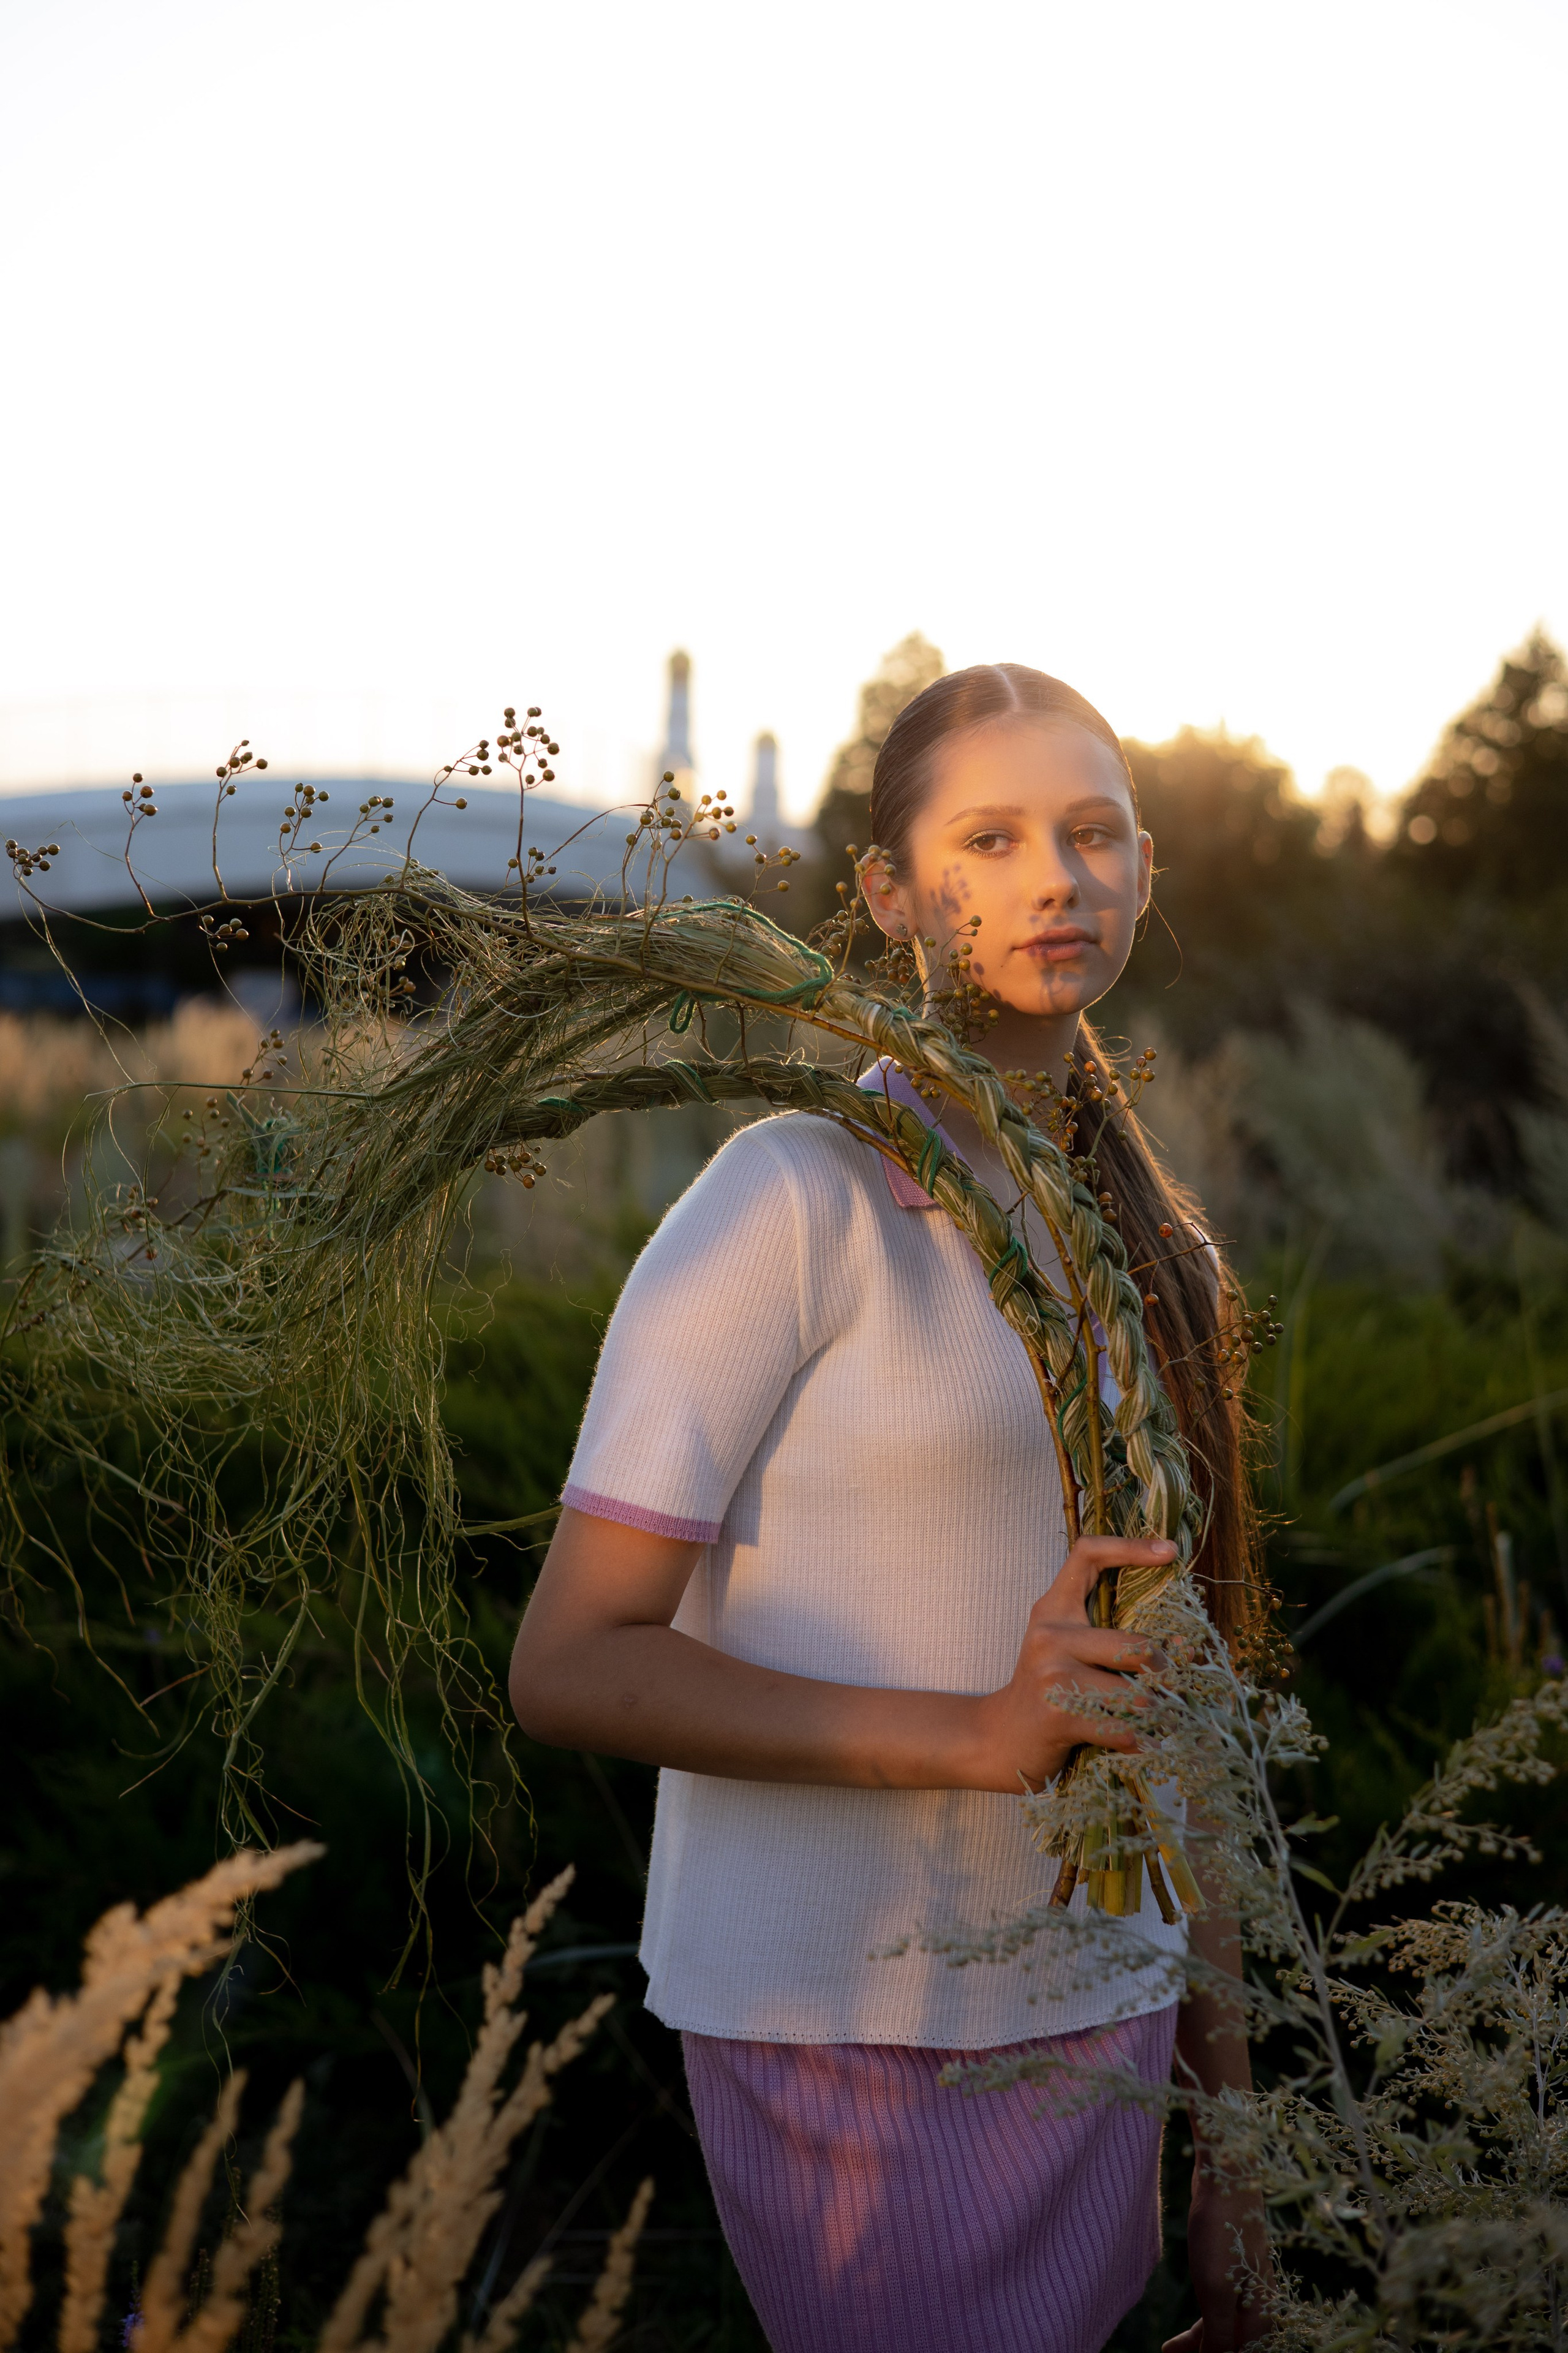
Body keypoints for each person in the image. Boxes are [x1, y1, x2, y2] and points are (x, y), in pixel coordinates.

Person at [510, 663, 1272, 2352]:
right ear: (887, 891)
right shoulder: (788, 1200)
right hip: (853, 2025)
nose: (1051, 878)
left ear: (1147, 863)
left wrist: (1236, 2144)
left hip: (1112, 2014)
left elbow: (1182, 1709)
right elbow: (568, 1659)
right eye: (988, 837)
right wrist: (976, 1731)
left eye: (1089, 834)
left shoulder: (1150, 1239)